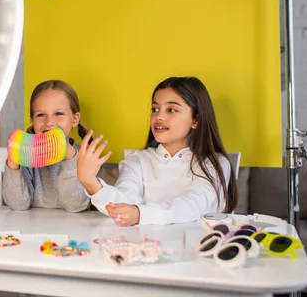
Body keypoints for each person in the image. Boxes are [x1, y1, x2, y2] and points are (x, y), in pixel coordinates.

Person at [77, 76, 237, 226]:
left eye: (171, 110)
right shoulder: (137, 160)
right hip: (145, 250)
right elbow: (123, 203)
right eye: (155, 109)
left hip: (197, 252)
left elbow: (191, 206)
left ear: (195, 120)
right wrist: (90, 183)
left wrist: (140, 214)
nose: (159, 116)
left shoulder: (214, 164)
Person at [2, 80, 91, 212]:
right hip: (30, 229)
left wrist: (69, 157)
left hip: (72, 230)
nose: (49, 122)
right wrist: (13, 162)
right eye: (40, 115)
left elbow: (76, 206)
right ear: (33, 120)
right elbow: (18, 204)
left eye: (58, 114)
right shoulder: (27, 156)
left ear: (75, 119)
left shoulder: (85, 157)